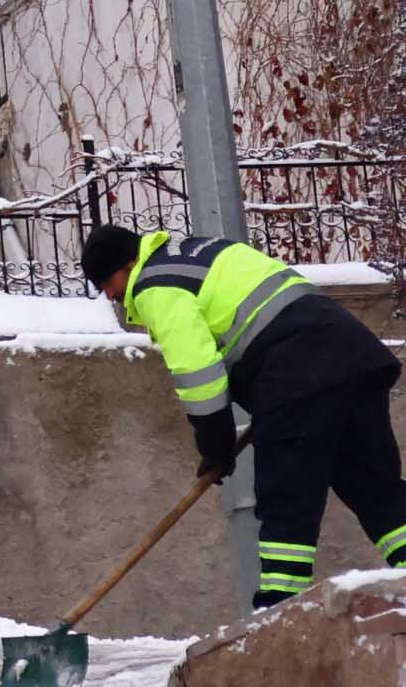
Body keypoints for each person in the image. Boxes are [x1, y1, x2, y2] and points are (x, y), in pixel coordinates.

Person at [84, 221, 406, 606]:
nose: (110, 294)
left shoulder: (156, 284)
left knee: (286, 499)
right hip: (351, 356)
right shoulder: (199, 252)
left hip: (297, 375)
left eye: (106, 281)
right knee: (376, 489)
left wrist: (215, 445)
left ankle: (278, 614)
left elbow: (197, 371)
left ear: (128, 263)